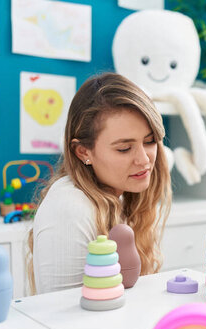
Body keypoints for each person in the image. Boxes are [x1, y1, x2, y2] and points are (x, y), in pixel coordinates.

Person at [28, 72, 172, 295]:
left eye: (150, 141)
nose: (144, 159)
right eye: (124, 148)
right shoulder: (70, 208)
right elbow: (60, 314)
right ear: (83, 151)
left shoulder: (117, 196)